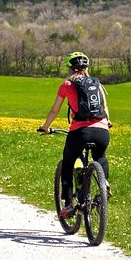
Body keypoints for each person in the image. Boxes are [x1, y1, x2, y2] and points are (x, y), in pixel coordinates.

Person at [38, 51, 111, 219]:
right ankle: (103, 185)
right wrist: (108, 122)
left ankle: (69, 205)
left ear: (70, 68)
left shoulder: (67, 85)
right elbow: (105, 109)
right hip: (102, 131)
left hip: (80, 132)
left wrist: (45, 127)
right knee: (100, 156)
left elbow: (54, 110)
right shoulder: (98, 85)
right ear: (86, 67)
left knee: (68, 163)